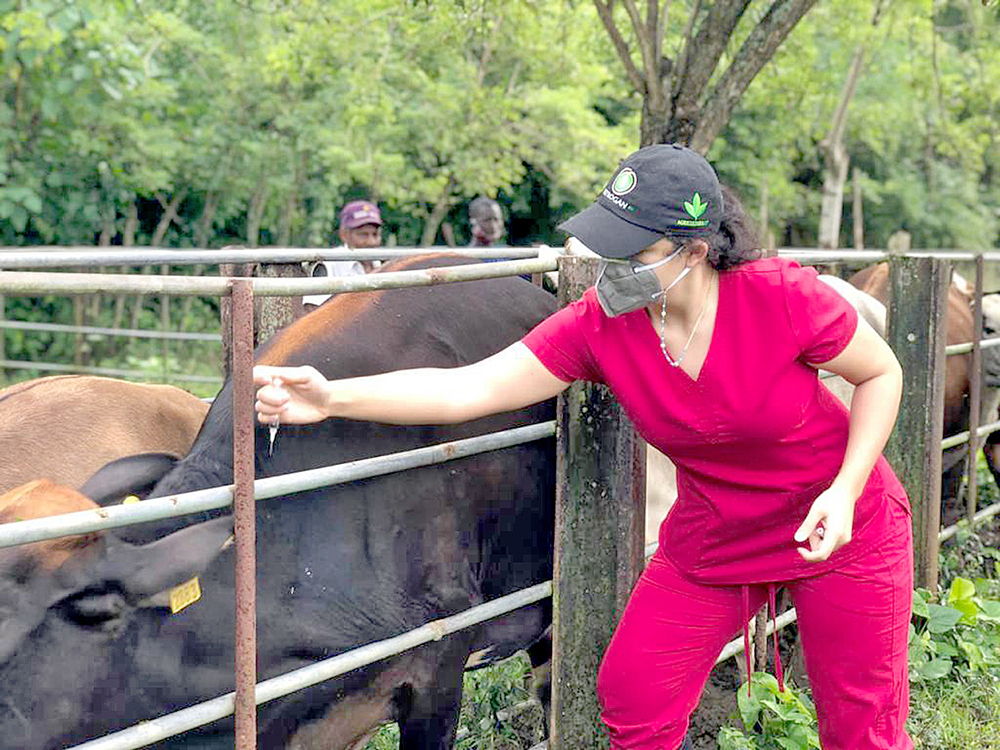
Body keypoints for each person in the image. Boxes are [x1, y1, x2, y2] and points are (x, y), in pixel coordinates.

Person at [254, 144, 913, 750]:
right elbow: (469, 388)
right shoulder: (602, 328)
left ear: (694, 249)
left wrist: (847, 488)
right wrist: (334, 397)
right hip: (718, 534)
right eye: (608, 245)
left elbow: (881, 372)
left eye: (634, 250)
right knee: (632, 694)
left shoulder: (779, 297)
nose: (614, 266)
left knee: (860, 723)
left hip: (840, 522)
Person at [303, 199, 383, 309]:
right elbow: (312, 310)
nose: (371, 241)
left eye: (375, 234)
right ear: (344, 234)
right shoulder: (329, 264)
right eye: (363, 235)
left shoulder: (384, 265)